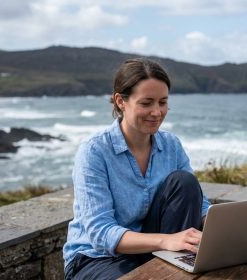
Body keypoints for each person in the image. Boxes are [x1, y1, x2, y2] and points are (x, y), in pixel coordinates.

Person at [63, 58, 211, 279]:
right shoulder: (94, 151)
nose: (157, 112)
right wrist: (166, 240)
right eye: (146, 103)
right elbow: (100, 233)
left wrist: (224, 228)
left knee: (184, 182)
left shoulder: (171, 145)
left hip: (151, 251)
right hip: (96, 258)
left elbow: (198, 204)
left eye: (162, 102)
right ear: (120, 101)